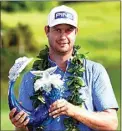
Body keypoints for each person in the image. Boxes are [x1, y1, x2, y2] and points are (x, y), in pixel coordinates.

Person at [9, 5, 118, 131]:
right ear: (47, 31)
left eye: (68, 30)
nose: (63, 36)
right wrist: (20, 125)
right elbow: (24, 128)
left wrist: (73, 111)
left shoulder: (95, 71)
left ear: (76, 32)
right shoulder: (31, 77)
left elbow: (111, 124)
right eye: (57, 30)